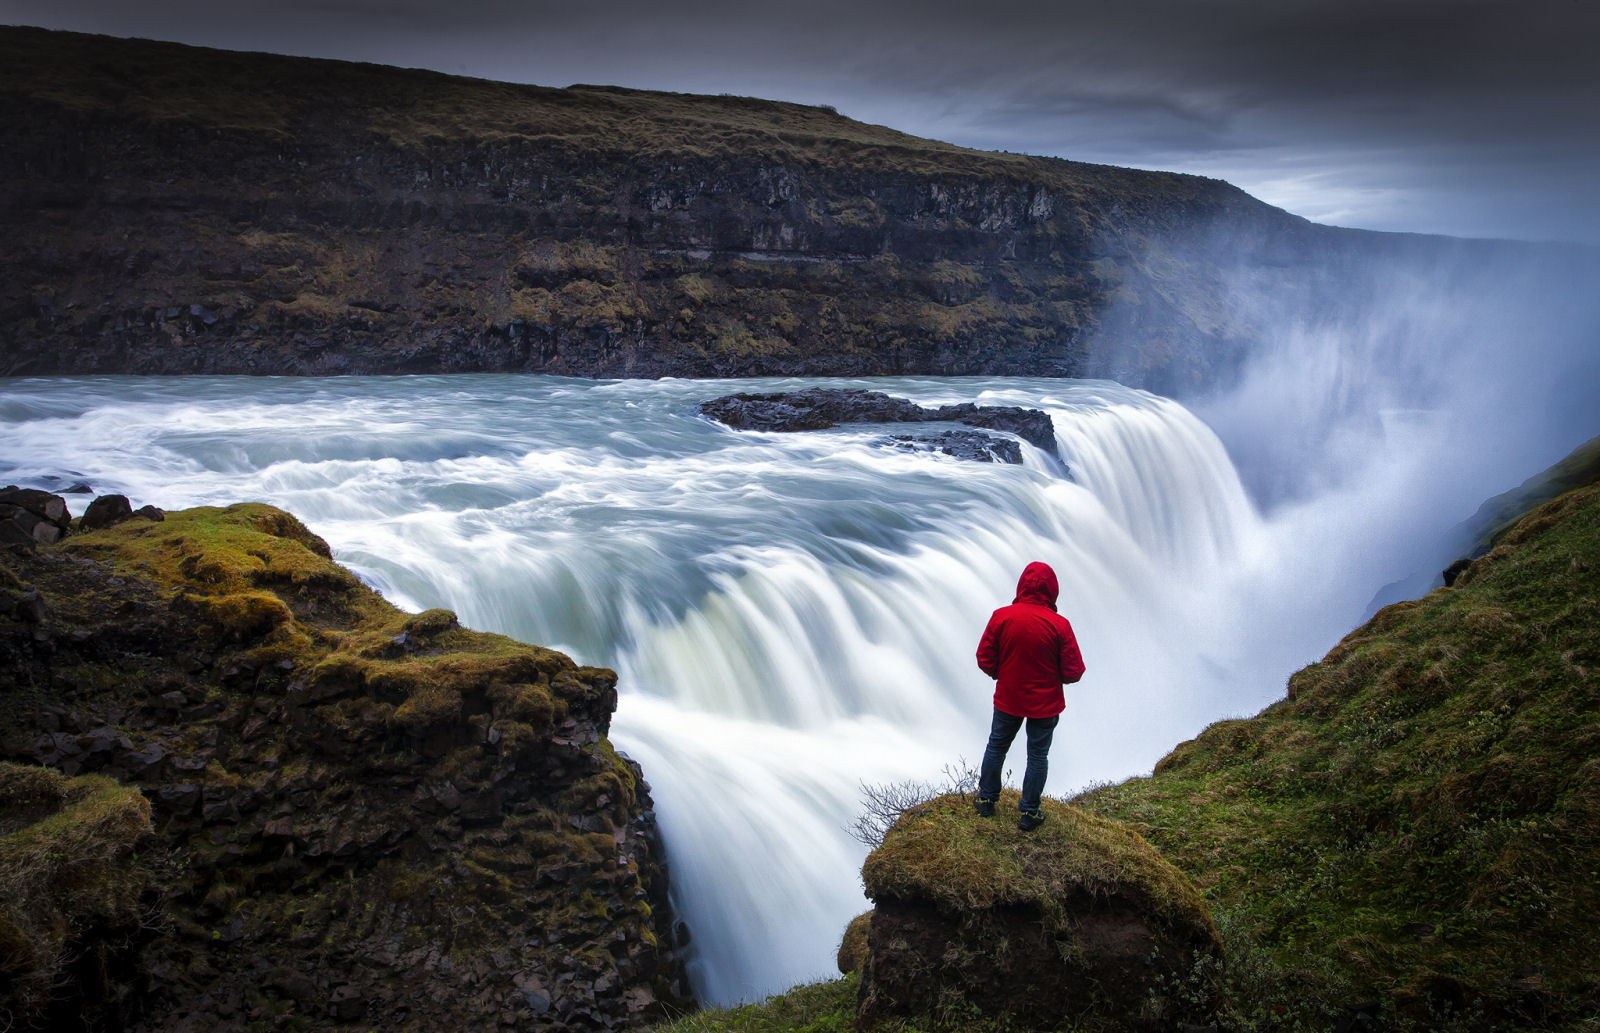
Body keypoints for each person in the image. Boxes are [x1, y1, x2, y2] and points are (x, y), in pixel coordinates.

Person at [974, 560, 1085, 831]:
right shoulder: (1060, 626)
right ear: (1052, 591)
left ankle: (987, 799)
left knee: (996, 746)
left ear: (1021, 585)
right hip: (1045, 705)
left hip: (1008, 698)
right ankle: (1029, 813)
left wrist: (1003, 674)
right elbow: (1074, 671)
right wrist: (1050, 677)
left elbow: (984, 658)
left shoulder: (1001, 617)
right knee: (1037, 756)